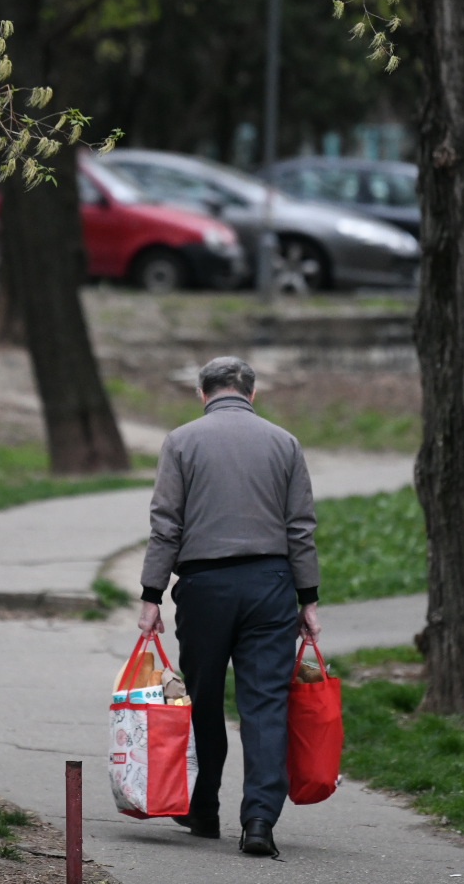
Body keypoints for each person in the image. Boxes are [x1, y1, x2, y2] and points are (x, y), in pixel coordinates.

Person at [138, 355, 321, 858]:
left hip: (204, 588)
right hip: (271, 586)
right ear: (251, 394)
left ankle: (202, 808)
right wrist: (308, 598)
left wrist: (152, 595)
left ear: (203, 393)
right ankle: (259, 820)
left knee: (203, 697)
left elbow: (166, 526)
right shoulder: (284, 442)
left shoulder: (181, 442)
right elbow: (300, 527)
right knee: (264, 704)